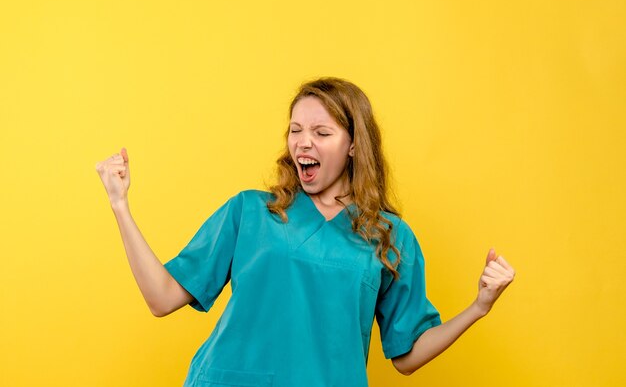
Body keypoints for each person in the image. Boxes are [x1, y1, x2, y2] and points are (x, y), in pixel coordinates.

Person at [95, 77, 515, 386]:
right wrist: (120, 205)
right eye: (295, 131)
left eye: (321, 132)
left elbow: (406, 355)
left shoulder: (390, 237)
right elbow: (162, 297)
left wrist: (478, 307)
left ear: (353, 144)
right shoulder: (250, 212)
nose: (303, 143)